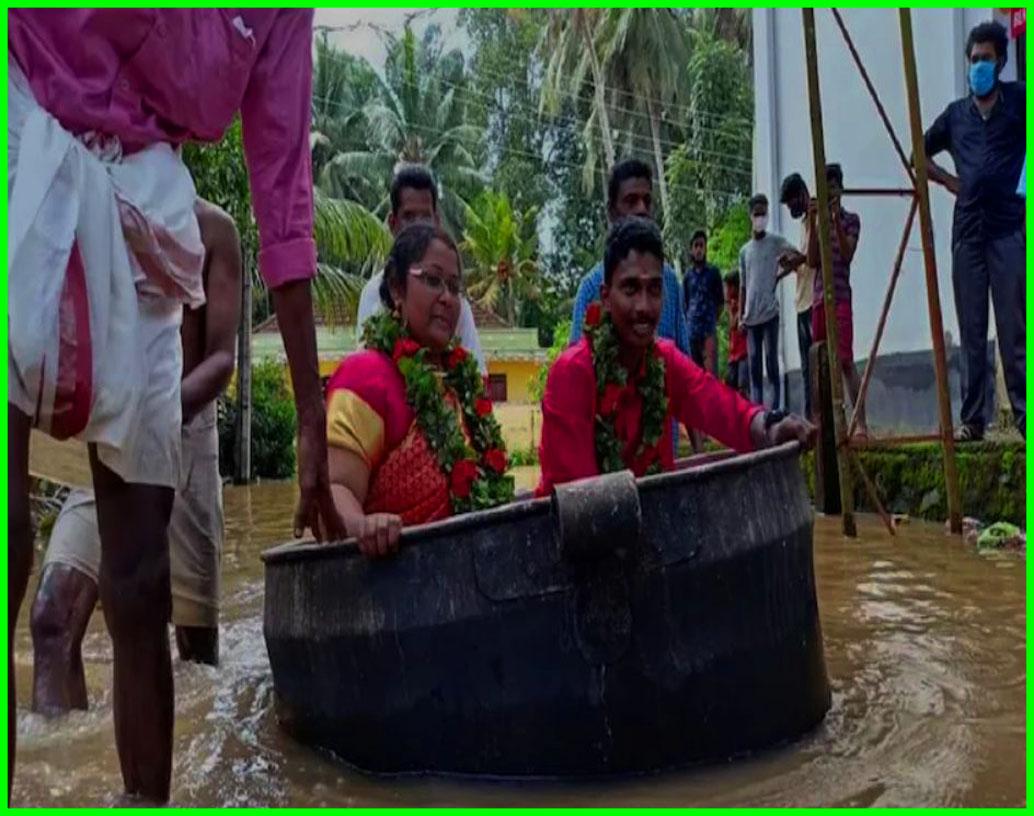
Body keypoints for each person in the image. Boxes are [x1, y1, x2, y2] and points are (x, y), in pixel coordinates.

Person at [8, 11, 345, 803]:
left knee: (143, 583)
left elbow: (283, 190)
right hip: (19, 123)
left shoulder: (277, 26)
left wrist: (307, 415)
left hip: (141, 218)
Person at [30, 198, 241, 714]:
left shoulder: (214, 230)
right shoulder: (89, 206)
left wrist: (160, 411)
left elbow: (220, 359)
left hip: (185, 441)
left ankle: (182, 781)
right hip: (108, 435)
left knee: (195, 658)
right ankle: (60, 787)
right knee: (51, 619)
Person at [537, 218, 815, 496]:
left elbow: (720, 406)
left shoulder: (663, 361)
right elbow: (583, 507)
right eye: (631, 289)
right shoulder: (572, 374)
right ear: (606, 297)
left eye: (654, 289)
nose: (644, 306)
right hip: (576, 533)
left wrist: (769, 427)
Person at [326, 223, 514, 558]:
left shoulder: (463, 384)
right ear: (397, 288)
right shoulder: (365, 377)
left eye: (455, 288)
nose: (447, 298)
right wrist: (363, 527)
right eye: (432, 280)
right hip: (394, 587)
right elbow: (334, 489)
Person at [921, 20, 1025, 441]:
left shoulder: (1019, 102)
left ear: (1000, 61)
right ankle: (972, 420)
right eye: (973, 59)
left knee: (1014, 325)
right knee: (972, 328)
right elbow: (918, 151)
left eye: (986, 58)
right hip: (967, 234)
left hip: (1008, 231)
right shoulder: (955, 116)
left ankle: (1023, 415)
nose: (978, 65)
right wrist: (948, 181)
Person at [569, 158, 690, 453]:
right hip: (610, 463)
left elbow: (686, 375)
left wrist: (699, 455)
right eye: (631, 200)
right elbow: (578, 384)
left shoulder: (670, 283)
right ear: (612, 212)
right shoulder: (590, 289)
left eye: (647, 200)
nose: (641, 209)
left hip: (661, 457)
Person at [355, 164, 487, 375]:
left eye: (425, 217)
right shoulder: (373, 293)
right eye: (409, 217)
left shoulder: (455, 302)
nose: (418, 226)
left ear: (437, 221)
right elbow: (365, 372)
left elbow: (478, 379)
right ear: (392, 222)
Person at [805, 164, 867, 436]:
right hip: (819, 297)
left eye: (832, 188)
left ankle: (860, 422)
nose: (829, 193)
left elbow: (847, 253)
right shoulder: (818, 223)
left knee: (844, 360)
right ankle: (826, 424)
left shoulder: (851, 219)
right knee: (820, 361)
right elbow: (812, 261)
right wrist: (814, 224)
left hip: (840, 295)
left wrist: (834, 221)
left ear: (840, 190)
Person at [738, 194, 794, 408]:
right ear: (751, 216)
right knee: (754, 366)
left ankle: (775, 410)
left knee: (771, 362)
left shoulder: (776, 242)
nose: (761, 217)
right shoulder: (745, 251)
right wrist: (741, 316)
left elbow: (799, 256)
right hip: (751, 318)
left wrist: (780, 273)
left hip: (770, 314)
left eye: (764, 213)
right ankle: (757, 412)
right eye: (757, 214)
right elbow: (743, 285)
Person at [777, 173, 818, 419]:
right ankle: (809, 417)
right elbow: (805, 260)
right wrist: (791, 263)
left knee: (814, 367)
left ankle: (818, 417)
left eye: (791, 203)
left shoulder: (814, 218)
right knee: (805, 368)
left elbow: (813, 258)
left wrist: (798, 258)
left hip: (814, 301)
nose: (791, 209)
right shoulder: (804, 223)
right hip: (802, 303)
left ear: (801, 194)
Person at [683, 229, 724, 375]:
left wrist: (712, 320)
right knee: (695, 375)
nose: (699, 249)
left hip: (708, 331)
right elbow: (685, 304)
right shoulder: (687, 276)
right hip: (692, 332)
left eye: (702, 245)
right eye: (696, 246)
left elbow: (720, 303)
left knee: (711, 375)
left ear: (705, 248)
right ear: (691, 249)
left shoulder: (714, 273)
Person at [723, 271, 750, 398]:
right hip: (733, 354)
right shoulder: (731, 304)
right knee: (729, 387)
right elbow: (730, 327)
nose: (725, 291)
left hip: (743, 353)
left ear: (734, 287)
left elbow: (734, 325)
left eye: (727, 287)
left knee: (742, 389)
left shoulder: (742, 303)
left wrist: (734, 310)